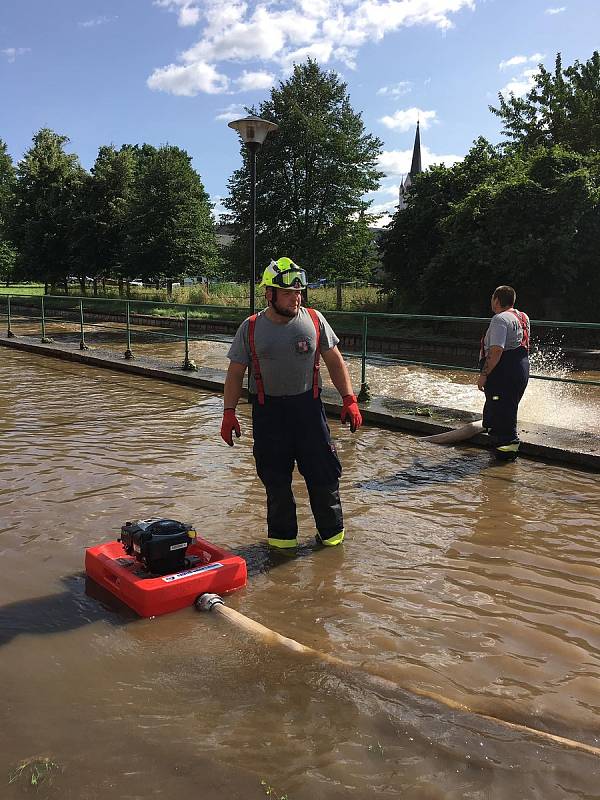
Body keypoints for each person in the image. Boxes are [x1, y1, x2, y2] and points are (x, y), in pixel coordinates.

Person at [220, 257, 362, 549]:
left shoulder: (314, 319)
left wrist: (349, 399)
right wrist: (228, 412)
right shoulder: (250, 328)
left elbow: (335, 362)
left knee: (323, 479)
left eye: (298, 292)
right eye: (287, 293)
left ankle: (332, 544)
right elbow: (235, 374)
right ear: (269, 294)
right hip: (269, 415)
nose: (295, 298)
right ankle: (282, 549)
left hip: (308, 411)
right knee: (277, 485)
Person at [477, 285, 530, 460]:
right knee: (505, 406)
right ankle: (494, 435)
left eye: (492, 297)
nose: (491, 300)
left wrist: (484, 375)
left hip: (503, 371)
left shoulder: (499, 319)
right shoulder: (523, 317)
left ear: (497, 300)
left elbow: (496, 351)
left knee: (503, 408)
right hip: (520, 367)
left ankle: (506, 451)